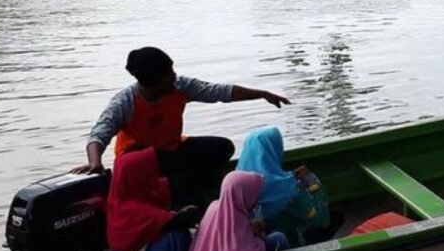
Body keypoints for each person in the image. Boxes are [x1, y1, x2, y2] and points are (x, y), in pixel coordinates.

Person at [73, 47, 290, 206]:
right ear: (154, 81)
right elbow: (99, 133)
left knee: (223, 148)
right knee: (176, 181)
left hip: (173, 150)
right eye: (169, 73)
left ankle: (194, 189)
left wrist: (262, 94)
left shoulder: (180, 86)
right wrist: (95, 162)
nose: (174, 76)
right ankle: (185, 194)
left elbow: (219, 92)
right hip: (139, 161)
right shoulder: (125, 102)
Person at [236, 126, 341, 246]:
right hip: (287, 245)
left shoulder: (236, 185)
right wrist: (312, 181)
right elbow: (322, 220)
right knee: (335, 215)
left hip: (254, 244)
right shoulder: (290, 188)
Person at [105, 148, 200, 251]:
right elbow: (179, 221)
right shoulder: (131, 209)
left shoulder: (119, 198)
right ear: (138, 175)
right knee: (176, 233)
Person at [186, 171, 289, 251]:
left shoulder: (215, 206)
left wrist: (249, 229)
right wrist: (258, 237)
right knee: (278, 239)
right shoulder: (236, 216)